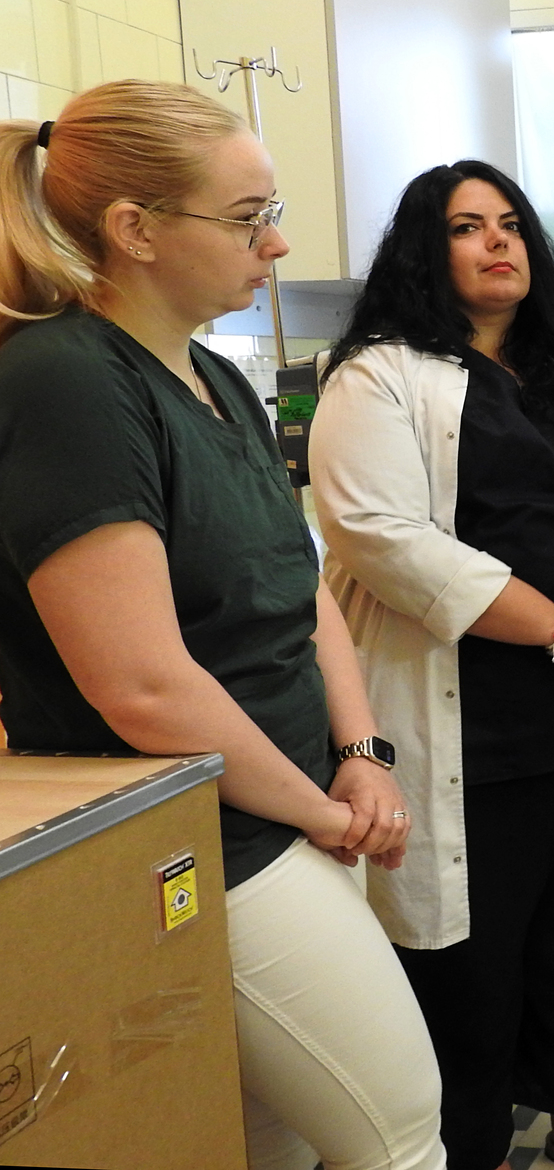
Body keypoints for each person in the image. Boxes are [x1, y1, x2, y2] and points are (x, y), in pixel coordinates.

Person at [0, 81, 444, 1169]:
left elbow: (301, 586)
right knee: (401, 1133)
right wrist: (322, 811)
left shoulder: (214, 376)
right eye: (249, 219)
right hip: (214, 839)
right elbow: (142, 684)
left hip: (295, 804)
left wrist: (360, 753)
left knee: (274, 1144)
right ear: (136, 229)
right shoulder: (66, 383)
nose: (277, 244)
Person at [310, 160, 554, 1170]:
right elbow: (384, 537)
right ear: (424, 251)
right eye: (468, 226)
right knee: (470, 953)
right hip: (472, 722)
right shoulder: (376, 375)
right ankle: (469, 1145)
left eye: (510, 223)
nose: (497, 241)